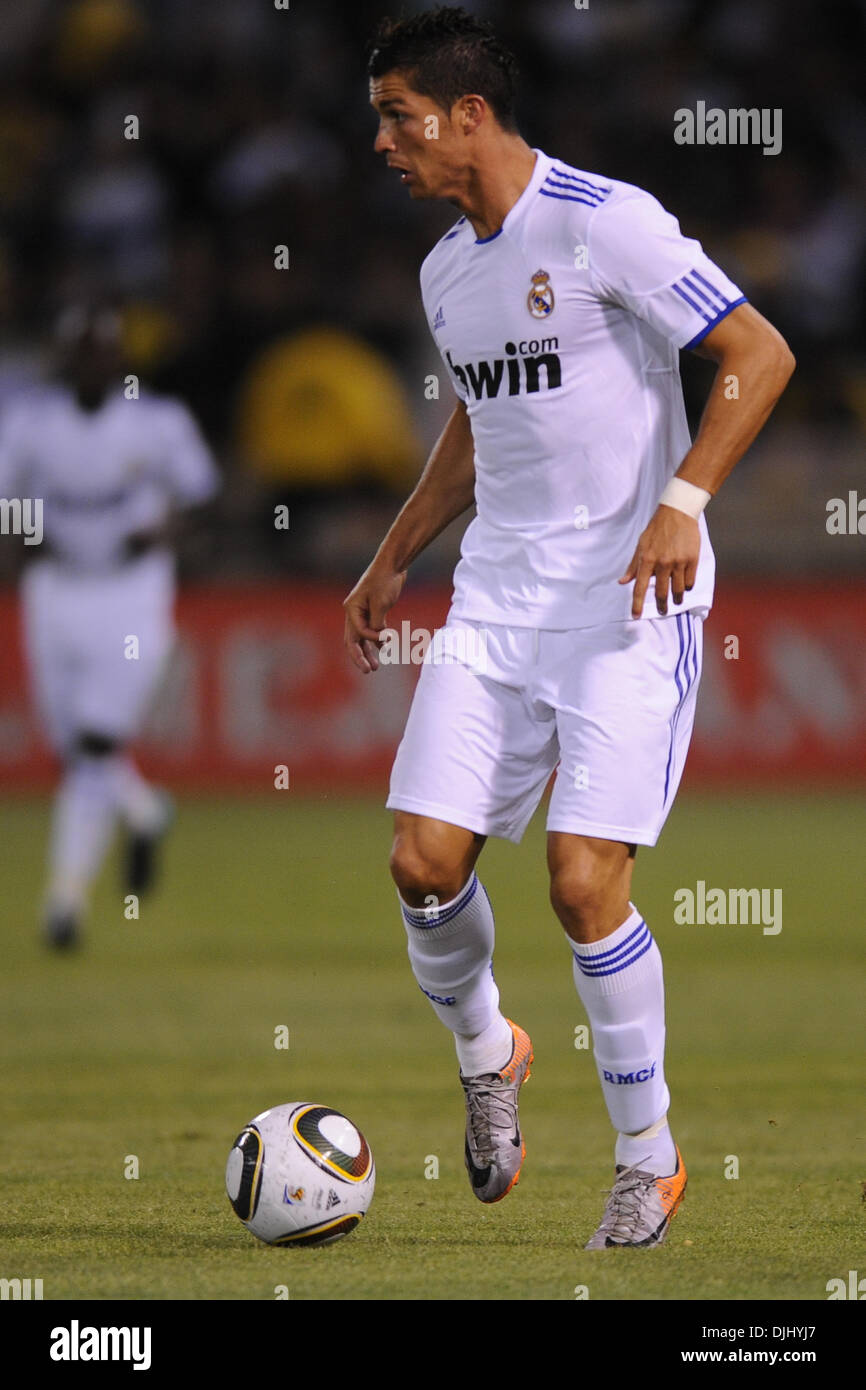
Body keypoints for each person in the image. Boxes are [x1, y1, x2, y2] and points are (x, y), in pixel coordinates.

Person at [343, 7, 794, 1249]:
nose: (382, 139)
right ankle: (491, 1051)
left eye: (397, 113)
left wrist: (682, 502)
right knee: (421, 865)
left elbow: (757, 352)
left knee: (581, 885)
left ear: (467, 114)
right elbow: (479, 430)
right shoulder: (447, 270)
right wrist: (391, 558)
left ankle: (646, 1162)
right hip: (493, 601)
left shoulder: (606, 220)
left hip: (624, 603)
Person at [0, 304, 220, 949]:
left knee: (96, 745)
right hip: (56, 589)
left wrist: (163, 531)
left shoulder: (157, 423)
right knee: (71, 747)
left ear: (121, 359)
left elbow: (203, 498)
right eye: (83, 351)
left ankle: (63, 903)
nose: (95, 362)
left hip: (132, 593)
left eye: (105, 351)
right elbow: (8, 506)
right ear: (65, 359)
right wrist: (26, 542)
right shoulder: (31, 423)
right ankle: (145, 810)